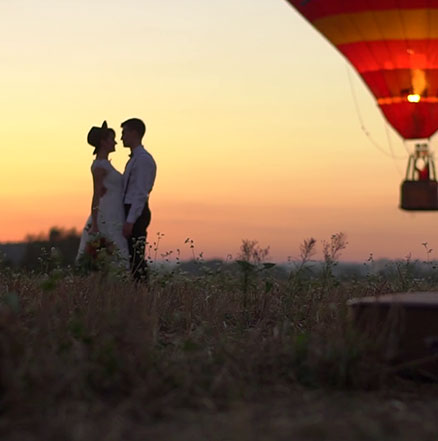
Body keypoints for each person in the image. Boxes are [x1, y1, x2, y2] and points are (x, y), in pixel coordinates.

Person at [76, 121, 129, 267]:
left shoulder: (106, 164)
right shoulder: (99, 166)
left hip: (115, 210)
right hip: (108, 211)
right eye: (112, 139)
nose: (115, 142)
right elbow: (96, 194)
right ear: (103, 142)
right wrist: (95, 222)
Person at [121, 118, 157, 281]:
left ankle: (142, 290)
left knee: (136, 257)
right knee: (131, 256)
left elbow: (141, 193)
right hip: (130, 210)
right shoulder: (134, 159)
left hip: (136, 211)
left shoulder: (143, 160)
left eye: (124, 133)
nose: (122, 137)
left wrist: (130, 220)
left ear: (134, 133)